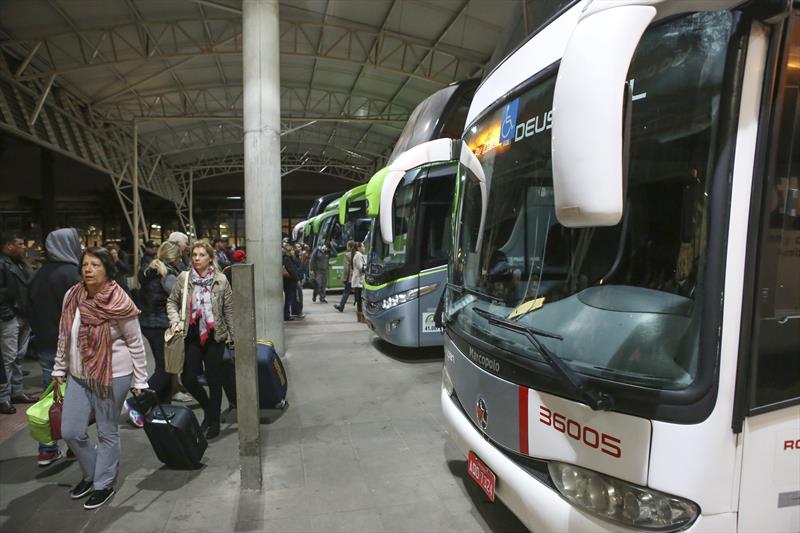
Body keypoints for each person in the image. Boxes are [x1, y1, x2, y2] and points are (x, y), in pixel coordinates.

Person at [51, 247, 148, 510]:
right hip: (78, 375)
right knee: (70, 430)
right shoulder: (73, 295)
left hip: (113, 374)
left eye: (95, 265)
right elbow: (64, 334)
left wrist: (140, 380)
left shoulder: (118, 300)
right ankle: (94, 471)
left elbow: (135, 342)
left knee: (106, 431)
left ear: (107, 270)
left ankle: (102, 483)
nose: (88, 270)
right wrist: (59, 368)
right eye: (85, 265)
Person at [167, 240, 234, 439]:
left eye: (201, 255)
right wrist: (175, 321)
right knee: (188, 378)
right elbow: (172, 301)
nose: (196, 258)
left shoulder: (221, 280)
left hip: (215, 336)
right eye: (194, 255)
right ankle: (208, 409)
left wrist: (233, 336)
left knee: (214, 380)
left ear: (210, 258)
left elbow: (228, 309)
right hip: (192, 335)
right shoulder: (184, 278)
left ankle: (213, 422)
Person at [28, 228, 82, 465]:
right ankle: (74, 443)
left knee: (50, 395)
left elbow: (27, 308)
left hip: (45, 342)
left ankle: (46, 448)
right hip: (70, 345)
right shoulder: (72, 274)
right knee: (75, 396)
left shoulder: (37, 275)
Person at [136, 241, 183, 413]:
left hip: (148, 323)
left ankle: (162, 407)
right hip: (162, 324)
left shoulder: (149, 270)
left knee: (163, 366)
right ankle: (139, 403)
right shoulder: (168, 275)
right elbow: (179, 297)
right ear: (175, 258)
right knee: (167, 368)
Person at [0, 231, 38, 407]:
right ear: (9, 246)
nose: (24, 247)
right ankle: (3, 397)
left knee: (18, 357)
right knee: (8, 358)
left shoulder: (20, 264)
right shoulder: (2, 264)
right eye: (20, 244)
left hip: (23, 315)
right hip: (11, 317)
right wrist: (7, 314)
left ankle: (16, 391)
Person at [334, 241, 355, 313]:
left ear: (349, 247)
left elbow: (346, 269)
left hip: (350, 277)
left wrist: (344, 278)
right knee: (358, 292)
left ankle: (341, 306)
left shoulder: (347, 255)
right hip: (357, 276)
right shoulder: (358, 254)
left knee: (346, 291)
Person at [282, 246, 302, 321]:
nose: (293, 252)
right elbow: (291, 270)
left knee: (289, 299)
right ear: (288, 251)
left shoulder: (289, 258)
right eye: (291, 250)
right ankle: (286, 315)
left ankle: (287, 314)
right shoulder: (286, 259)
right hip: (289, 282)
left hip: (289, 282)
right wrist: (297, 280)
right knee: (288, 299)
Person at [351, 242, 367, 323]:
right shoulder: (358, 256)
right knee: (360, 300)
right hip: (358, 281)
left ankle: (360, 317)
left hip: (359, 281)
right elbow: (361, 268)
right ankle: (361, 317)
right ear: (359, 248)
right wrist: (367, 268)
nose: (364, 248)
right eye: (363, 247)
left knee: (359, 299)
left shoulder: (358, 255)